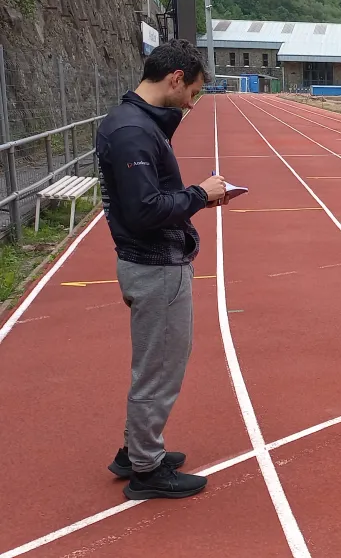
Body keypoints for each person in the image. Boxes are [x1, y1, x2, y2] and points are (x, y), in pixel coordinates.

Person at [97, 39, 225, 500]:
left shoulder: (132, 122)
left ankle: (137, 450)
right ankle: (146, 470)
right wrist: (200, 195)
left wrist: (196, 196)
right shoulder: (133, 131)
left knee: (157, 362)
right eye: (192, 92)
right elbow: (144, 210)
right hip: (155, 266)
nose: (192, 103)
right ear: (175, 79)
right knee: (159, 368)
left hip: (149, 262)